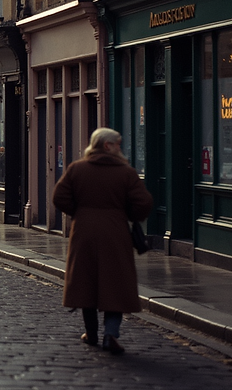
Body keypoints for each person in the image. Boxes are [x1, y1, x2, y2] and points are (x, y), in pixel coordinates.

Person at [53, 128, 154, 355]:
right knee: (115, 283)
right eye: (117, 143)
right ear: (107, 146)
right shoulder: (126, 173)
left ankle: (91, 334)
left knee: (86, 282)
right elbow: (144, 203)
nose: (120, 146)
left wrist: (80, 212)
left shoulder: (77, 169)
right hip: (115, 232)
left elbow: (59, 197)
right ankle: (111, 335)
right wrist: (127, 214)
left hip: (84, 232)